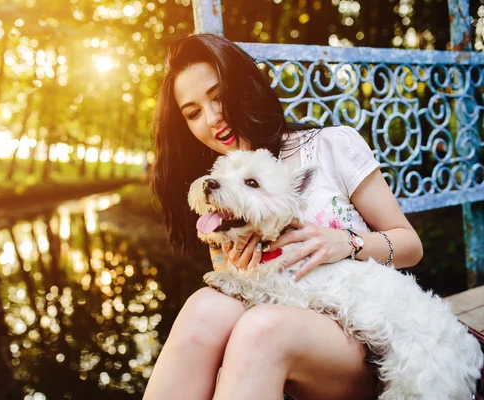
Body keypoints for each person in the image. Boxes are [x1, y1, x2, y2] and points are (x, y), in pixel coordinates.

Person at [144, 33, 423, 400]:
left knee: (263, 328)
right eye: (194, 113)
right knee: (203, 306)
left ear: (243, 85)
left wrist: (347, 242)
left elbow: (411, 245)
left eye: (217, 96)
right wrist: (239, 265)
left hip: (365, 344)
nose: (212, 119)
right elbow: (243, 288)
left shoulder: (330, 146)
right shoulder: (219, 186)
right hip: (284, 331)